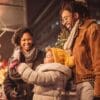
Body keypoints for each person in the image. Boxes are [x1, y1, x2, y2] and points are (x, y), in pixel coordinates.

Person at [59, 0, 100, 100]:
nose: (64, 23)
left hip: (89, 83)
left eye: (66, 18)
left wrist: (97, 91)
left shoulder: (91, 28)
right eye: (62, 20)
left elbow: (98, 60)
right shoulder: (74, 36)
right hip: (77, 84)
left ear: (76, 15)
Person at [9, 47, 75, 100]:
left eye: (48, 56)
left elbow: (38, 78)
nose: (45, 58)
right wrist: (19, 70)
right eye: (45, 56)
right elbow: (31, 79)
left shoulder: (57, 72)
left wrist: (21, 66)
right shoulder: (50, 70)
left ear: (56, 60)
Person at [3, 27, 45, 100]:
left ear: (33, 40)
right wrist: (11, 93)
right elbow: (8, 82)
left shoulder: (42, 55)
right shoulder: (14, 59)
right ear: (19, 41)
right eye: (23, 40)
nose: (27, 42)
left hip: (38, 96)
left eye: (29, 39)